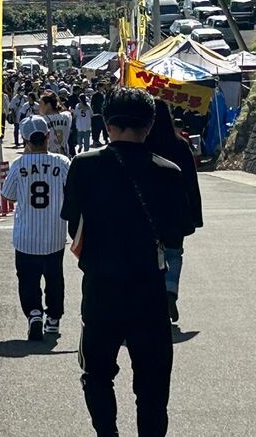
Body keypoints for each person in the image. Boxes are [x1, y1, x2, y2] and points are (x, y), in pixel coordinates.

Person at [63, 88, 191, 437]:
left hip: (101, 289)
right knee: (152, 383)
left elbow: (73, 223)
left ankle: (108, 433)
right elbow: (178, 230)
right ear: (149, 125)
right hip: (149, 289)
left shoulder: (84, 166)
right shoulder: (169, 171)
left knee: (97, 374)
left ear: (106, 123)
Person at [1, 116, 71, 340]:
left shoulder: (19, 165)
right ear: (48, 137)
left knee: (28, 279)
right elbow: (72, 192)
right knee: (54, 279)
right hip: (54, 233)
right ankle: (53, 319)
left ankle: (34, 314)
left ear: (25, 140)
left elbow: (8, 194)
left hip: (26, 235)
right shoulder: (62, 162)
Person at [144, 100, 202, 322]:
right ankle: (170, 292)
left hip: (148, 210)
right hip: (176, 210)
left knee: (148, 256)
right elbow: (191, 183)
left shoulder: (143, 145)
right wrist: (194, 215)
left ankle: (153, 298)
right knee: (174, 253)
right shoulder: (180, 146)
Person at [39, 92, 72, 157]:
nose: (39, 107)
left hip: (48, 157)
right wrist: (56, 98)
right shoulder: (66, 116)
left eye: (41, 104)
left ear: (48, 105)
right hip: (64, 156)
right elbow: (66, 110)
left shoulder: (42, 120)